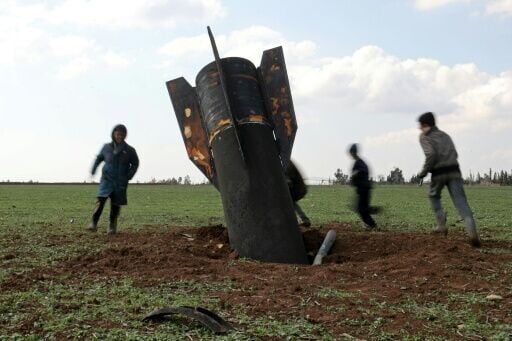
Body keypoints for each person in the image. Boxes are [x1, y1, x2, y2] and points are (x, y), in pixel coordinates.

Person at [417, 112, 481, 247]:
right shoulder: (446, 135)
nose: (419, 129)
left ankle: (441, 224)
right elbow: (455, 153)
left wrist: (423, 173)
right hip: (454, 171)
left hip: (439, 173)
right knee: (461, 202)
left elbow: (431, 155)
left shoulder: (424, 137)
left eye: (420, 126)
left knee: (434, 195)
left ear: (425, 125)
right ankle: (472, 232)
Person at [87, 124, 139, 235]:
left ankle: (112, 227)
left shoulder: (130, 150)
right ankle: (93, 223)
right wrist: (93, 169)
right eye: (117, 134)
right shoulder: (106, 147)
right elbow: (99, 159)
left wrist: (128, 176)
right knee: (100, 201)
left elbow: (135, 164)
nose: (119, 136)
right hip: (106, 180)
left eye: (121, 134)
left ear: (124, 135)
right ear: (113, 134)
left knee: (115, 206)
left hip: (120, 182)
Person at [348, 143, 378, 230]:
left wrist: (354, 175)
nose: (351, 155)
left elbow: (361, 172)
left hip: (364, 189)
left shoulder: (359, 163)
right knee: (362, 209)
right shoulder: (360, 162)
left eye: (351, 153)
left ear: (353, 152)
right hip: (362, 189)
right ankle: (371, 222)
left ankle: (372, 224)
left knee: (361, 209)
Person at [285, 160, 311, 227]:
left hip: (297, 188)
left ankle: (301, 220)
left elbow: (289, 181)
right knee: (292, 203)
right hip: (299, 188)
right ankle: (302, 219)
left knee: (291, 202)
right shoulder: (286, 160)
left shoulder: (285, 163)